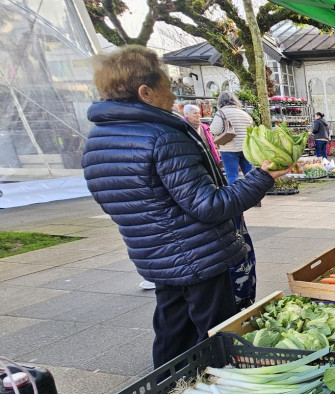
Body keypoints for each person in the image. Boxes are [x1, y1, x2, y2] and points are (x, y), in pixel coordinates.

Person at [82, 45, 291, 368]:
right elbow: (209, 206)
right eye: (168, 86)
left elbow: (116, 202)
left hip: (154, 255)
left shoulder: (98, 140)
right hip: (198, 256)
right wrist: (263, 178)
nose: (174, 95)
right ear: (146, 91)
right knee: (215, 333)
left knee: (171, 329)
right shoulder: (163, 137)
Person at [211, 91, 255, 183]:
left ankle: (235, 196)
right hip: (245, 148)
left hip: (229, 148)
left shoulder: (221, 113)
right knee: (249, 174)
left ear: (220, 102)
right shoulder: (244, 113)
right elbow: (252, 130)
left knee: (232, 175)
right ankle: (253, 194)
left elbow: (215, 130)